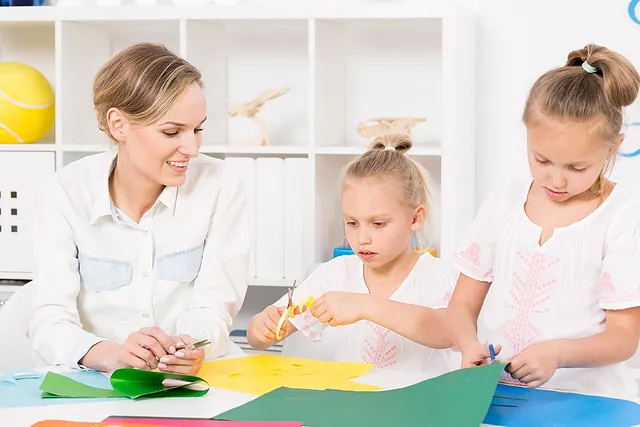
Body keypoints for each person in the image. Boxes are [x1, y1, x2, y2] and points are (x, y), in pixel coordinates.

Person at [27, 43, 250, 375]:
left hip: (198, 381)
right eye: (172, 131)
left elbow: (214, 308)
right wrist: (112, 354)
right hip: (96, 383)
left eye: (198, 129)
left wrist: (188, 345)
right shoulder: (65, 193)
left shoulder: (221, 185)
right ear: (118, 124)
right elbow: (48, 320)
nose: (192, 148)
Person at [446, 44, 640, 398]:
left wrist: (558, 353)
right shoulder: (504, 202)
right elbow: (461, 304)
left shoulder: (622, 216)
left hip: (587, 400)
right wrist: (467, 344)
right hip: (500, 395)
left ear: (613, 148)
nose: (556, 180)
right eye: (542, 160)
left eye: (576, 167)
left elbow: (624, 338)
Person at [247, 134, 459, 375]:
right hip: (350, 406)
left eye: (378, 224)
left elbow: (450, 332)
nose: (362, 238)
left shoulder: (436, 275)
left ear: (416, 218)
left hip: (419, 408)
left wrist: (364, 305)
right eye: (352, 223)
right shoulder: (333, 274)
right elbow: (259, 339)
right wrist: (261, 328)